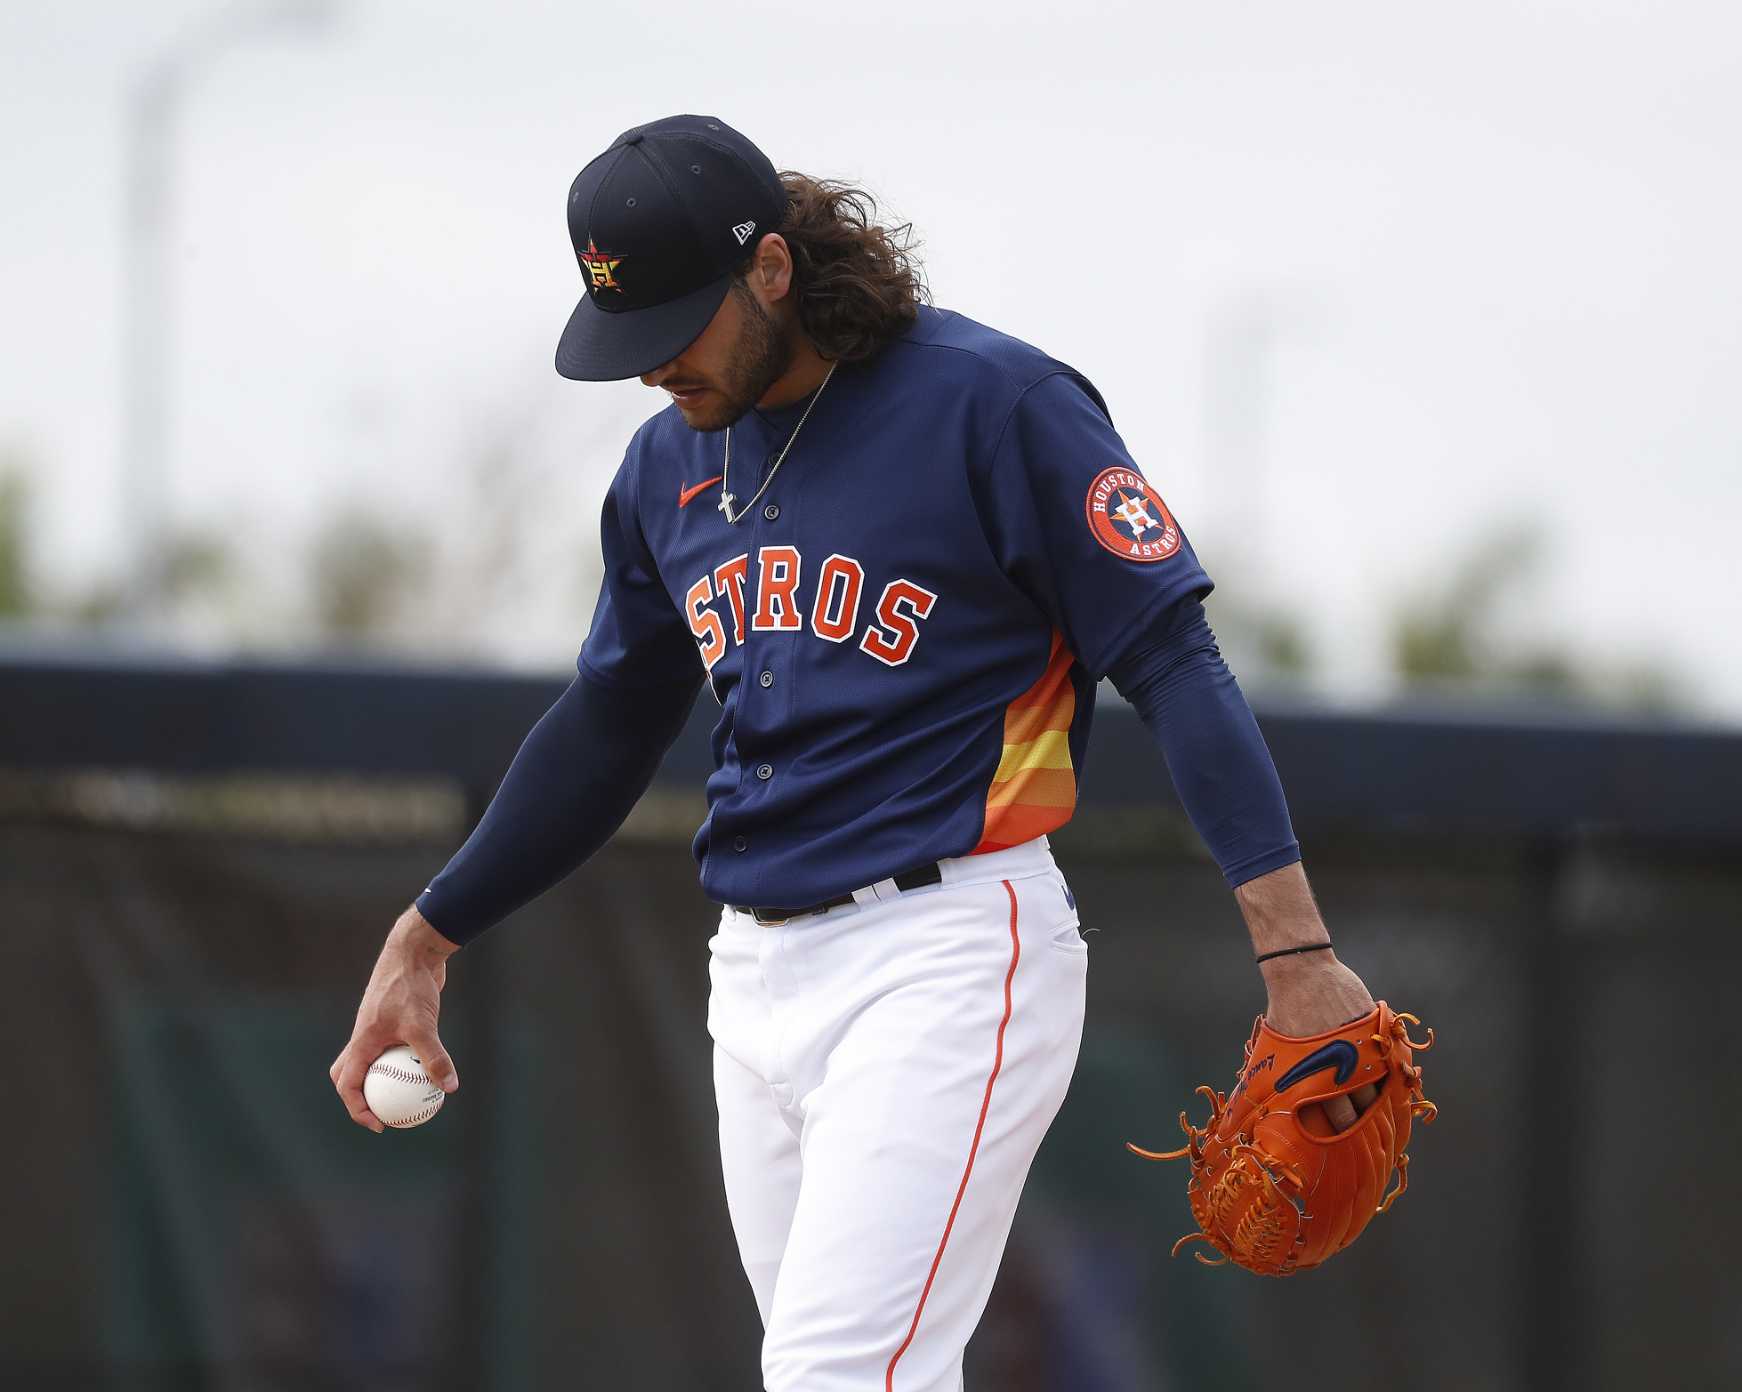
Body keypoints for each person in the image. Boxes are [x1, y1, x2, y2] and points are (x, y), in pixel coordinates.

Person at [331, 113, 1381, 1392]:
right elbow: (610, 718)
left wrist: (1297, 955)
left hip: (944, 950)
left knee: (836, 1377)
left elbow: (1171, 661)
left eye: (674, 326)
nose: (651, 367)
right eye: (626, 335)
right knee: (863, 1375)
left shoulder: (996, 406)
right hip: (752, 975)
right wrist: (425, 933)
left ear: (771, 268)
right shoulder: (665, 463)